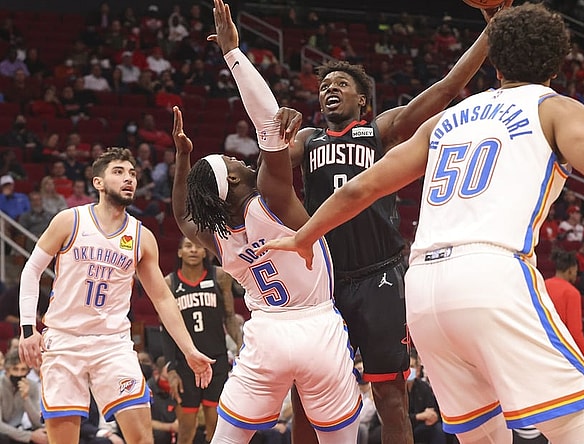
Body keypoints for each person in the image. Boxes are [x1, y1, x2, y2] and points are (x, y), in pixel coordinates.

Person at [262, 3, 584, 442]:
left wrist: (304, 237)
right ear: (556, 63)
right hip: (490, 272)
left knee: (481, 434)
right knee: (581, 423)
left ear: (496, 65)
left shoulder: (450, 119)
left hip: (422, 291)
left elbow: (362, 187)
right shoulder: (555, 107)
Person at [286, 3, 512, 443]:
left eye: (341, 84)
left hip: (379, 278)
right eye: (324, 85)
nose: (329, 88)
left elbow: (446, 89)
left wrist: (492, 29)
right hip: (324, 281)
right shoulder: (305, 140)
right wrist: (271, 134)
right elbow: (268, 172)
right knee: (305, 399)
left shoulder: (380, 131)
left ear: (362, 101)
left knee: (391, 398)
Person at [171, 3, 360, 442]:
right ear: (235, 179)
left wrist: (182, 158)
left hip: (266, 336)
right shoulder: (271, 199)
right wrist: (234, 54)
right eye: (234, 162)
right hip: (317, 328)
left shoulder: (220, 238)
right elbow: (269, 125)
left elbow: (182, 214)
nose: (241, 159)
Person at [17, 147, 214, 444]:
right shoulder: (69, 221)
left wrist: (189, 350)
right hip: (63, 340)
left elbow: (162, 298)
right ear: (98, 182)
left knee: (141, 440)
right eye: (119, 172)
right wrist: (27, 330)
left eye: (133, 174)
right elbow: (31, 271)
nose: (129, 179)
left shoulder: (141, 236)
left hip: (112, 345)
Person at [161, 236, 242, 444]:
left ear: (206, 252)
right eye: (187, 246)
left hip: (216, 360)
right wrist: (171, 368)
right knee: (186, 431)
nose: (193, 250)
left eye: (198, 246)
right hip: (185, 364)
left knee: (217, 429)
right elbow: (166, 329)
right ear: (179, 253)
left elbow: (230, 317)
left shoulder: (220, 276)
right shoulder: (170, 283)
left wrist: (243, 349)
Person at [544, 250, 584, 374]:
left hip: (541, 346)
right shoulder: (572, 293)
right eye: (576, 272)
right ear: (571, 270)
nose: (575, 276)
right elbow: (575, 331)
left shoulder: (541, 285)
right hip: (561, 352)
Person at [0, 348, 48, 444]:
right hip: (3, 433)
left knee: (44, 433)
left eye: (23, 370)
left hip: (19, 429)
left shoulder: (32, 386)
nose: (19, 374)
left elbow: (38, 423)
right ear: (7, 369)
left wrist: (25, 397)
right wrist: (29, 436)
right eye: (15, 369)